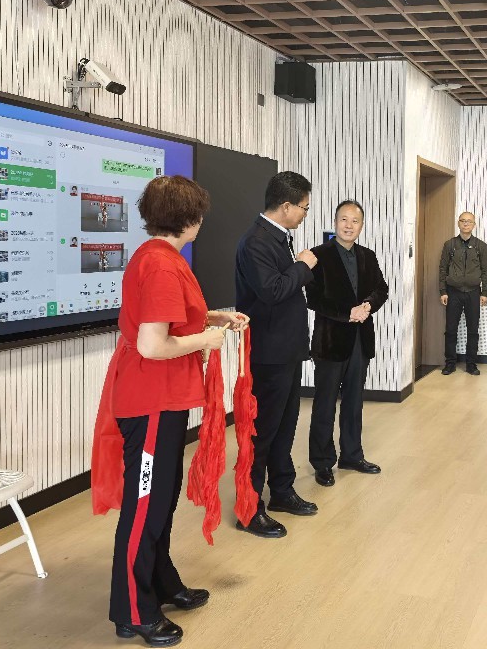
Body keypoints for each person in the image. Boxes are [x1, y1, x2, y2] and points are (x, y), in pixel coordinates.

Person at [107, 175, 247, 646]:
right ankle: (133, 609)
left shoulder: (161, 258)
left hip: (163, 399)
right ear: (189, 218)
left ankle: (160, 583)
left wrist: (213, 318)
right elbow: (152, 345)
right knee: (146, 505)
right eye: (199, 214)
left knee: (161, 499)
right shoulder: (162, 266)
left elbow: (168, 321)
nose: (201, 221)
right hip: (150, 400)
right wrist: (207, 338)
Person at [234, 171, 320, 539]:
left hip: (286, 350)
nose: (304, 214)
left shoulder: (278, 236)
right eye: (303, 208)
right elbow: (272, 291)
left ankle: (282, 491)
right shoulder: (256, 241)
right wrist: (303, 265)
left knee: (285, 427)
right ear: (285, 206)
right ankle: (249, 508)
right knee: (262, 432)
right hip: (268, 353)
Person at [307, 200, 389, 487]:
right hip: (331, 341)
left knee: (354, 402)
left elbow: (381, 289)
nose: (349, 225)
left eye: (355, 221)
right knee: (325, 403)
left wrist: (368, 305)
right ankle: (322, 462)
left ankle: (352, 455)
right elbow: (313, 299)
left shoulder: (368, 256)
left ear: (361, 226)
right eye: (344, 219)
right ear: (335, 222)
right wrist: (347, 313)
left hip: (360, 341)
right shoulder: (318, 255)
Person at [439, 212, 487, 376]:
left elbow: (485, 271)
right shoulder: (450, 245)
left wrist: (485, 292)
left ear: (474, 225)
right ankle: (450, 364)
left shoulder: (480, 246)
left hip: (473, 293)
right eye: (463, 221)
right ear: (458, 223)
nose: (466, 224)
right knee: (450, 330)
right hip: (453, 292)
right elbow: (443, 269)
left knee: (473, 330)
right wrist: (443, 291)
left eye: (469, 221)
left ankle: (471, 364)